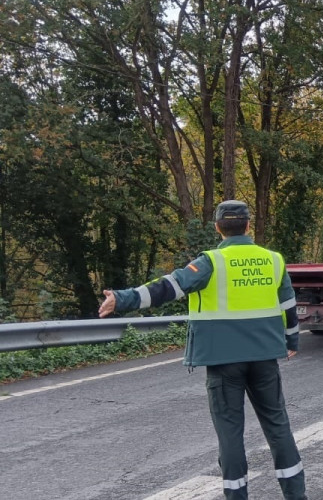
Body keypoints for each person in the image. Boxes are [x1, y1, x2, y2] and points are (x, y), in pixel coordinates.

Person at [98, 200, 306, 500]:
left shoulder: (210, 262)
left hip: (223, 363)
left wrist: (122, 298)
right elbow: (288, 304)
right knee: (278, 426)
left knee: (230, 434)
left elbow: (169, 287)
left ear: (218, 228)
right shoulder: (273, 260)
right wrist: (291, 341)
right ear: (248, 226)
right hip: (264, 359)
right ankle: (296, 495)